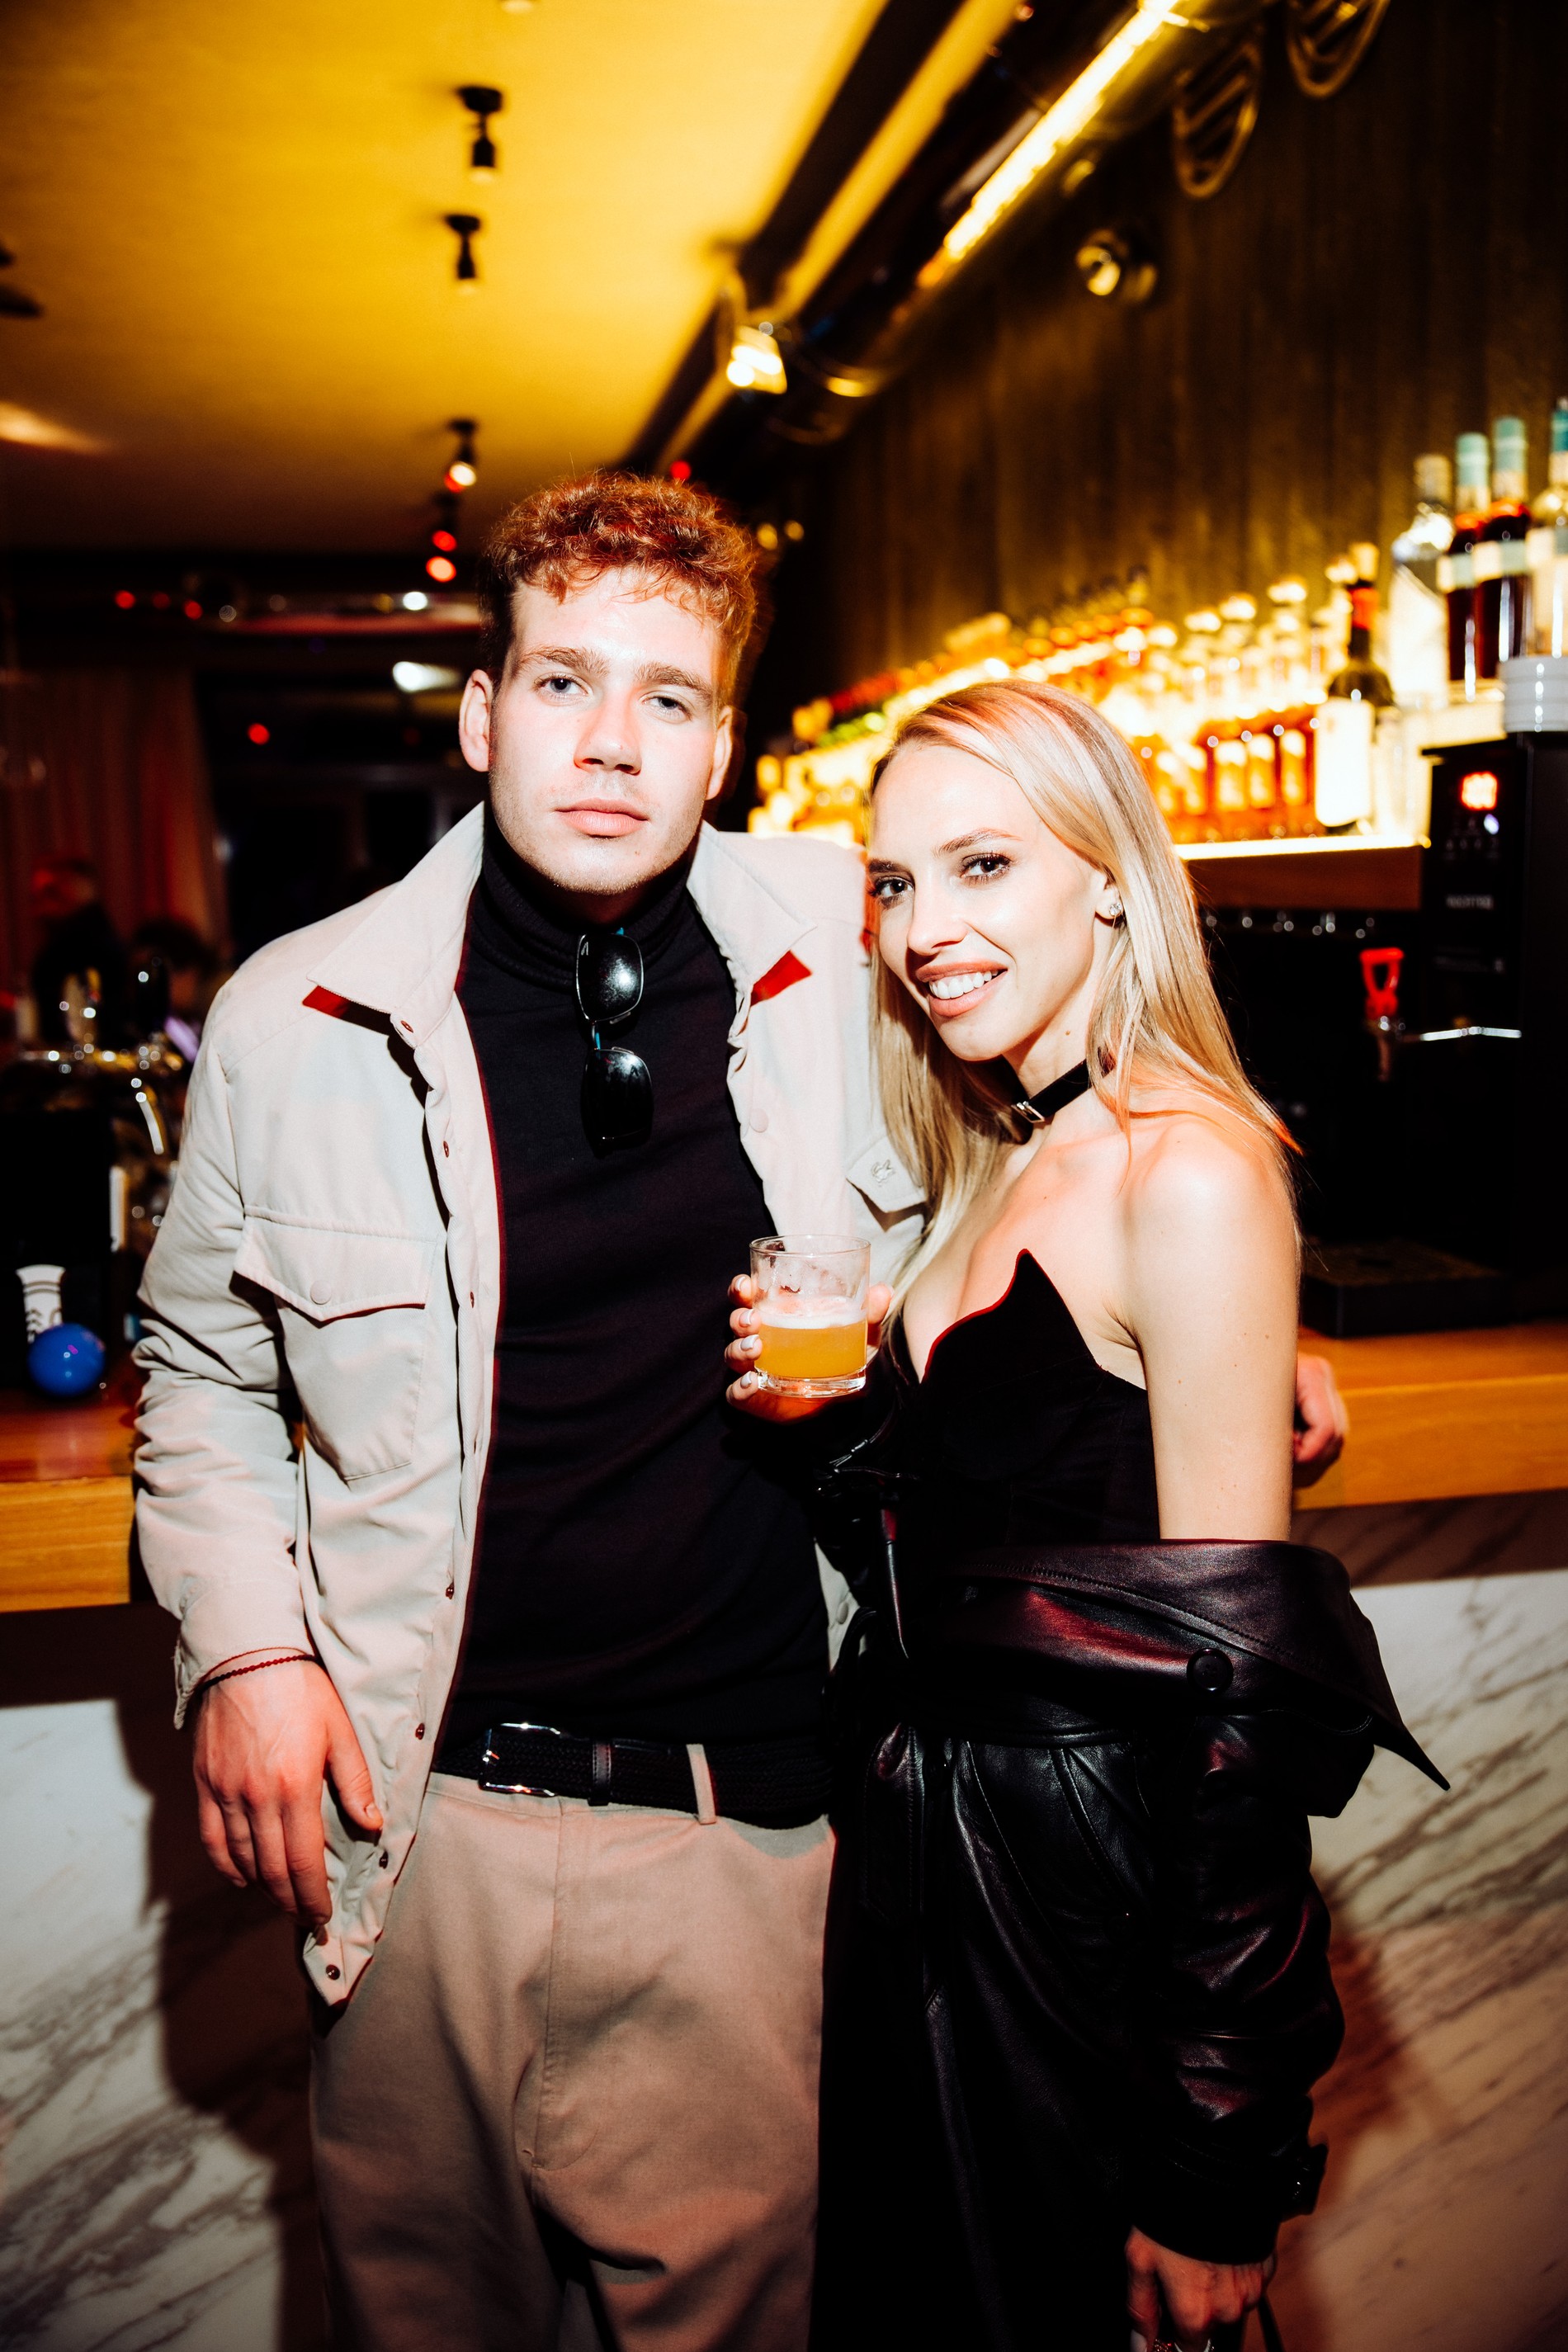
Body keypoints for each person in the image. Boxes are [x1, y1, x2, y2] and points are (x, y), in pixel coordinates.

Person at [134, 475, 1348, 2352]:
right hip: (418, 1834)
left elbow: (1080, 1098)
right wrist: (244, 1649)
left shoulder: (851, 946)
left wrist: (1243, 1324)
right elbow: (201, 1371)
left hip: (757, 1841)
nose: (612, 743)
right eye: (562, 684)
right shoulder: (296, 1020)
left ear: (724, 750)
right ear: (482, 714)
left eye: (670, 700)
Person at [726, 681, 1440, 2352]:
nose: (924, 930)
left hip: (1075, 1914)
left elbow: (1240, 1709)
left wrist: (1214, 2160)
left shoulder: (1186, 1169)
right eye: (895, 883)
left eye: (982, 866)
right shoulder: (1003, 1145)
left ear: (1110, 882)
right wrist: (834, 1422)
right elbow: (976, 1540)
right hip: (927, 1882)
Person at [29, 854, 131, 1046]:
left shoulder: (83, 941)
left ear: (83, 886)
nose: (41, 906)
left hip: (84, 1051)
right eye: (37, 896)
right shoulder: (74, 936)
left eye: (52, 892)